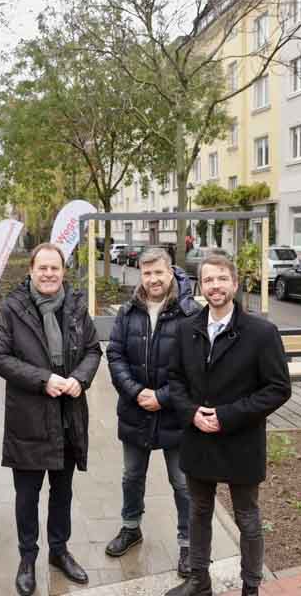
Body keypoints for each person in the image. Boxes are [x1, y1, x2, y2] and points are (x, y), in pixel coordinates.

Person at [164, 254, 291, 596]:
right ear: (200, 286)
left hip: (241, 439)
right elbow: (175, 380)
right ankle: (198, 580)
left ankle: (251, 588)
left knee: (247, 518)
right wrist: (192, 413)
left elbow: (278, 388)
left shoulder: (261, 333)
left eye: (222, 278)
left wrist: (227, 416)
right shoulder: (186, 329)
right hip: (198, 436)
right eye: (208, 280)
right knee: (199, 511)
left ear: (235, 284)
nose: (215, 286)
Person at [0, 243, 103, 596]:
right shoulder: (12, 309)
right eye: (43, 268)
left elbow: (93, 350)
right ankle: (27, 558)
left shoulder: (77, 307)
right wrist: (44, 380)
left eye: (55, 268)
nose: (49, 274)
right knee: (27, 495)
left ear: (63, 271)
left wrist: (79, 379)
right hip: (30, 419)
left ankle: (59, 551)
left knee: (62, 491)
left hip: (68, 416)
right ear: (31, 271)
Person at [104, 248, 200, 578]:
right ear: (140, 275)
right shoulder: (128, 310)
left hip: (175, 413)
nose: (153, 279)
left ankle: (189, 543)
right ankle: (131, 527)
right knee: (132, 476)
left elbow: (197, 369)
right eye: (147, 274)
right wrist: (136, 392)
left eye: (159, 272)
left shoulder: (190, 313)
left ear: (170, 271)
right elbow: (114, 355)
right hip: (135, 409)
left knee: (182, 482)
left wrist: (162, 397)